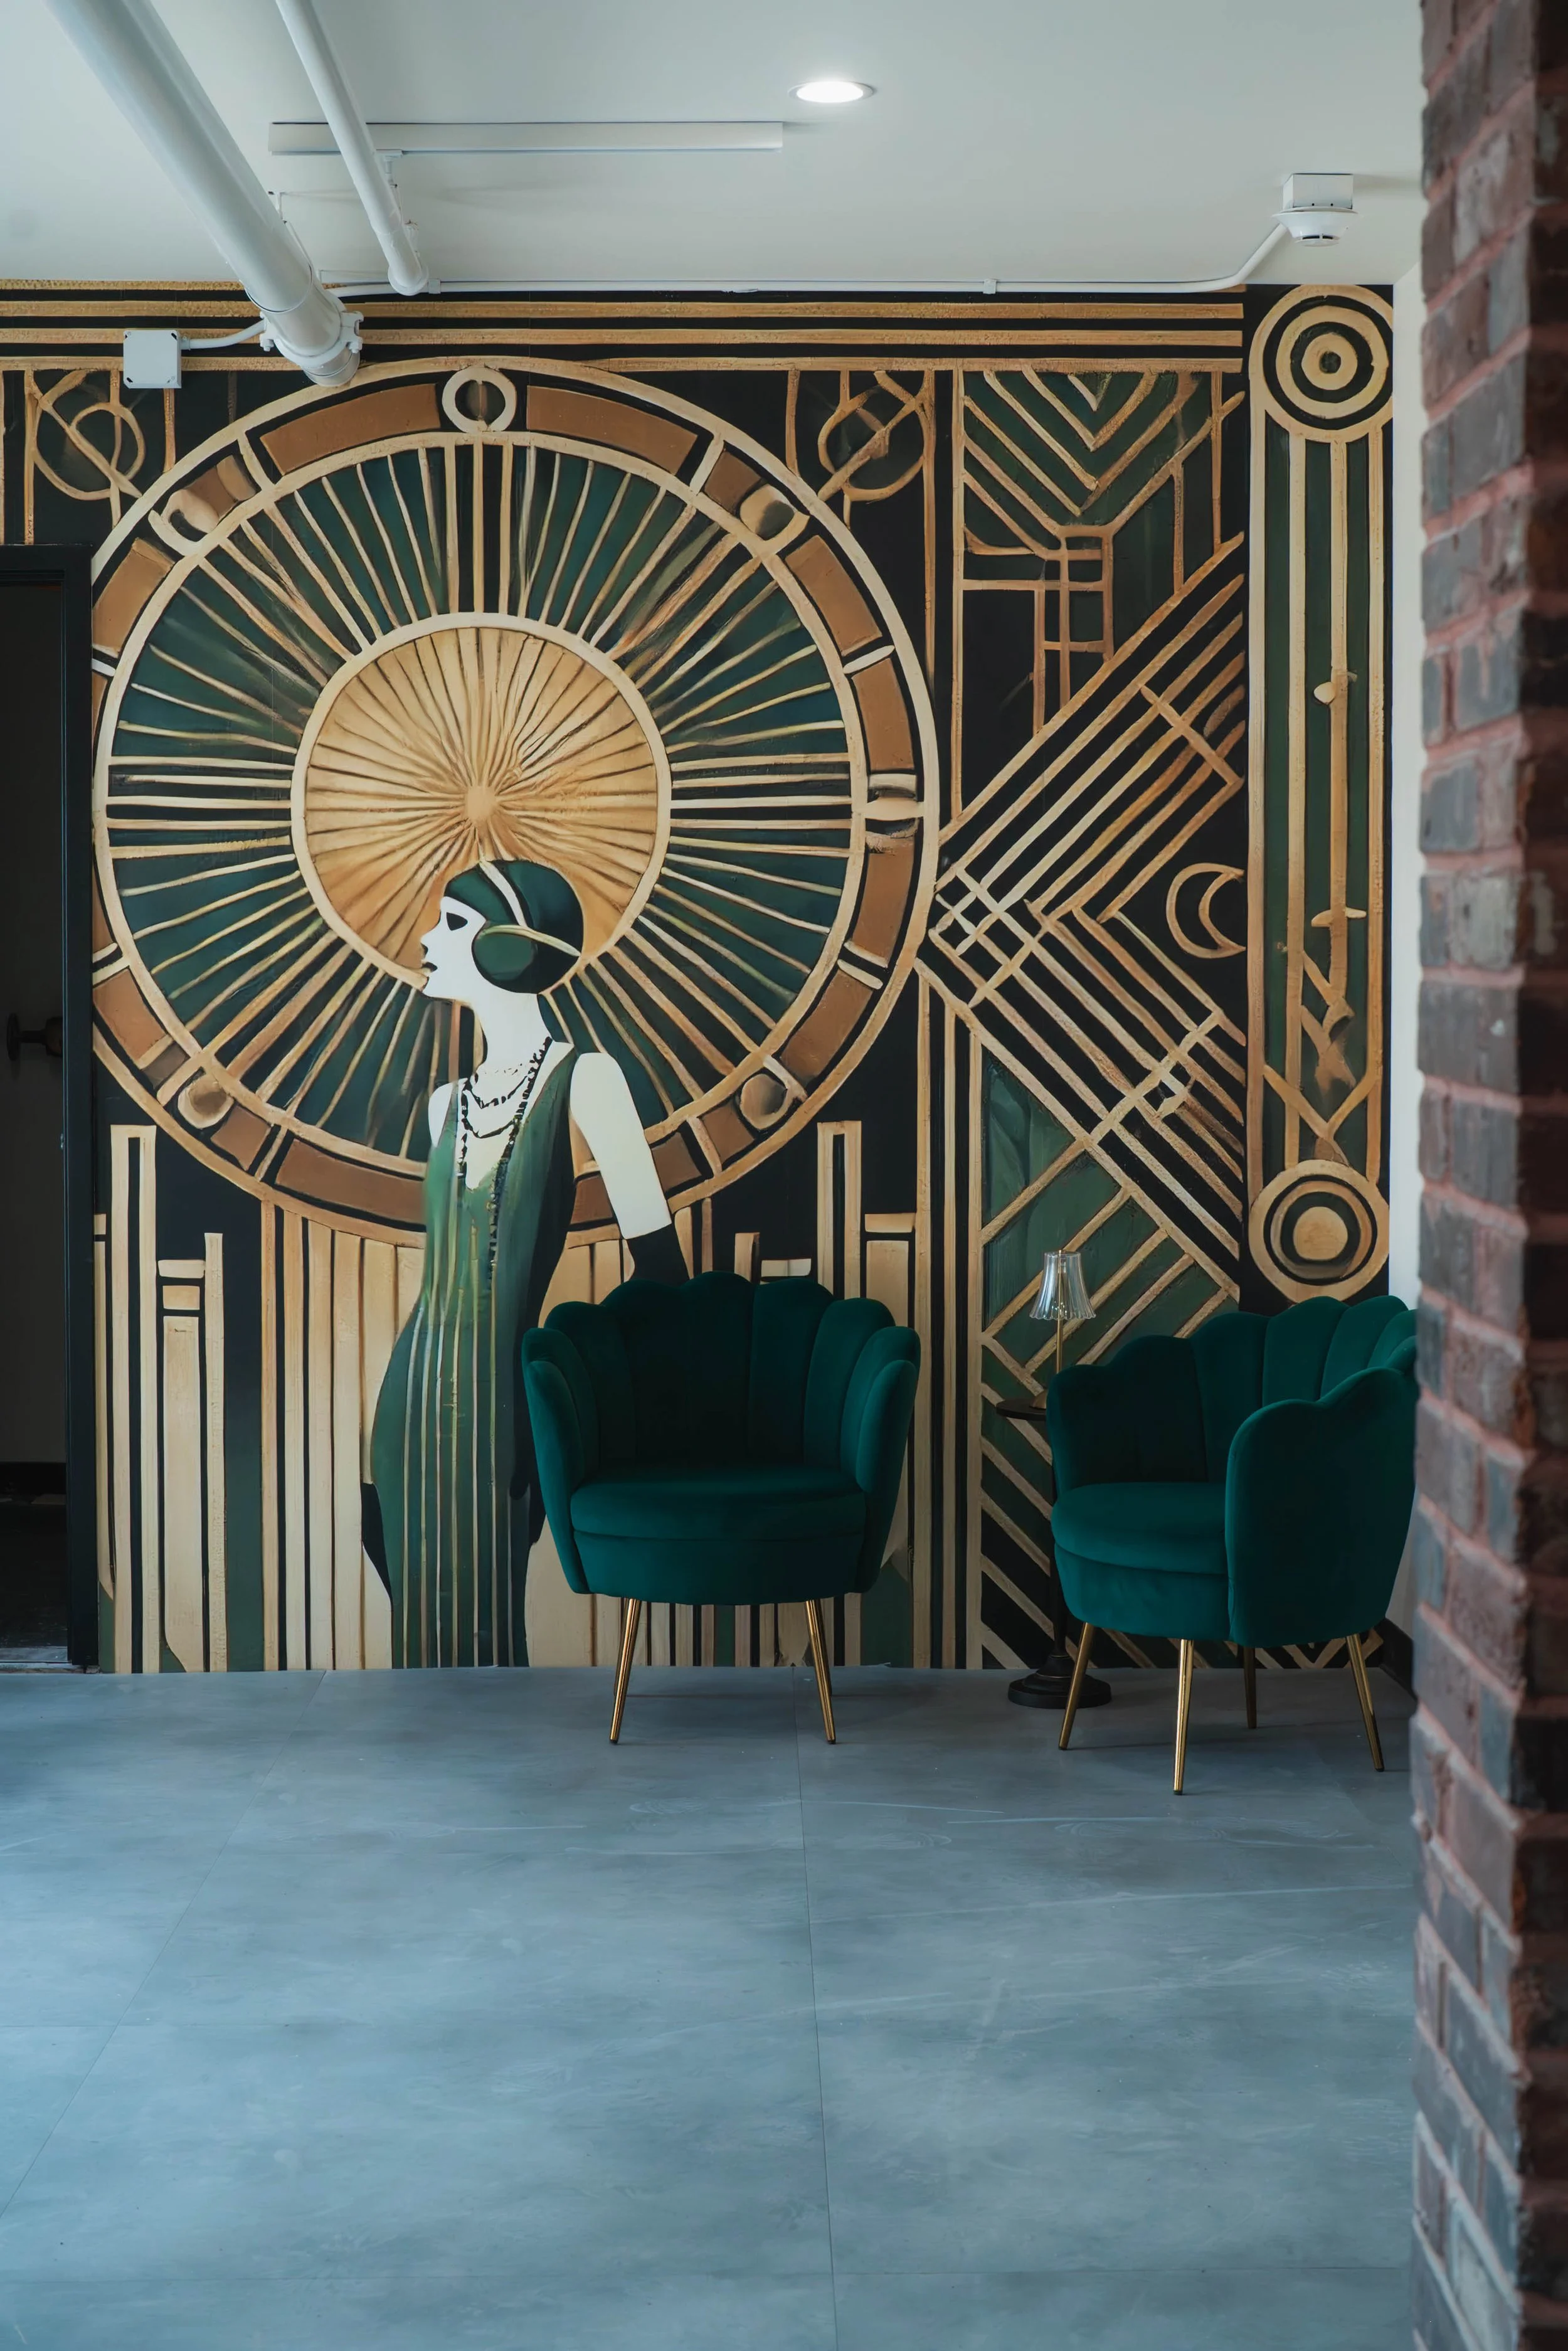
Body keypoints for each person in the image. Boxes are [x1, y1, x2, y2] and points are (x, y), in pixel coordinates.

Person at [368, 857, 682, 1667]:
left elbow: (663, 1274)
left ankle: (493, 1768)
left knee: (488, 1602)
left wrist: (581, 1374)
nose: (428, 941)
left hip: (506, 1396)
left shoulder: (589, 1080)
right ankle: (429, 1769)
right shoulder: (447, 1104)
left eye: (453, 924)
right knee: (411, 1596)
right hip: (413, 1388)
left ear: (510, 948)